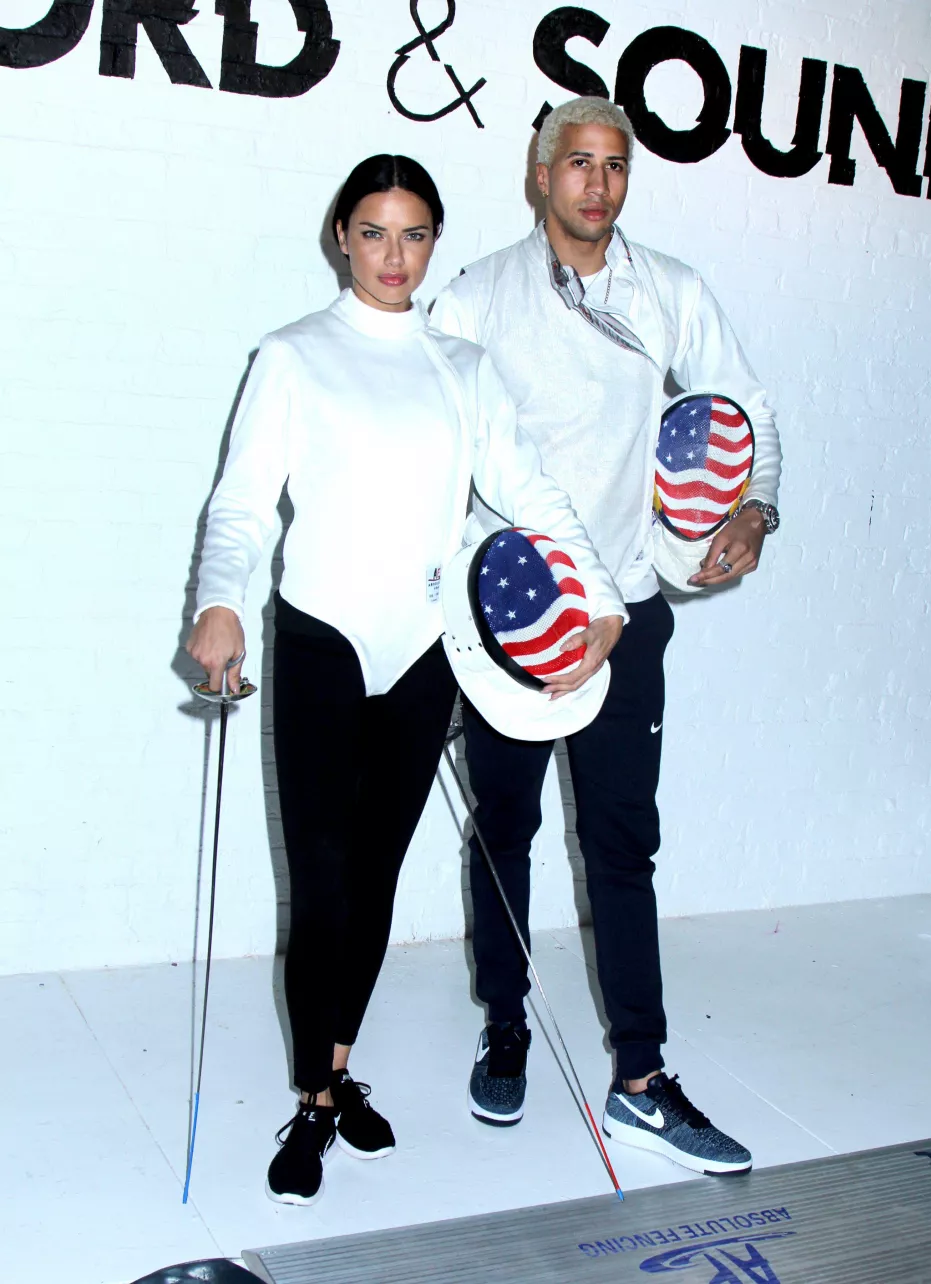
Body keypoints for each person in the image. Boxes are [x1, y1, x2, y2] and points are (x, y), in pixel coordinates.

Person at [186, 153, 627, 1205]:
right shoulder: (293, 357)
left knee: (374, 883)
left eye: (415, 235)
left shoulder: (461, 370)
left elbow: (530, 492)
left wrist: (600, 593)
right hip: (323, 644)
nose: (395, 257)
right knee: (323, 886)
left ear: (433, 243)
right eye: (375, 233)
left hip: (425, 656)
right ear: (342, 235)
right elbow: (242, 508)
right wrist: (219, 602)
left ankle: (337, 1074)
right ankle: (311, 1099)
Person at [431, 97, 782, 1175]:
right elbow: (432, 444)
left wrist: (752, 508)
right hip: (516, 617)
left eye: (614, 166)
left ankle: (640, 1076)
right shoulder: (477, 295)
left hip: (628, 611)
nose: (597, 182)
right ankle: (505, 1024)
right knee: (503, 829)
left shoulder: (670, 292)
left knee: (621, 843)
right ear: (539, 177)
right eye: (576, 163)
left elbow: (745, 415)